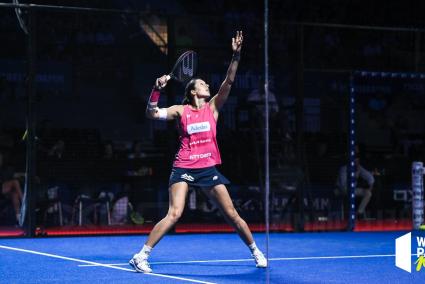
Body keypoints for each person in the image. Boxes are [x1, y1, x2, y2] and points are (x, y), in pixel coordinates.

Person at [129, 31, 267, 273]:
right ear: (193, 91)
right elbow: (151, 113)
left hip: (207, 168)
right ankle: (141, 256)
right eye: (202, 84)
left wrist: (236, 55)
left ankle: (256, 251)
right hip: (183, 167)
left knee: (232, 214)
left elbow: (229, 81)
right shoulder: (180, 111)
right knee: (174, 213)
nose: (207, 85)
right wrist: (156, 89)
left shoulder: (213, 107)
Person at [335, 155, 374, 219]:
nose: (357, 163)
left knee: (368, 193)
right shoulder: (344, 168)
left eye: (358, 161)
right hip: (341, 190)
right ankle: (349, 217)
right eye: (355, 161)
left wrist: (371, 186)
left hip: (353, 190)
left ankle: (359, 213)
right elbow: (343, 185)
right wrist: (355, 176)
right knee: (348, 191)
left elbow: (370, 177)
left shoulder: (359, 168)